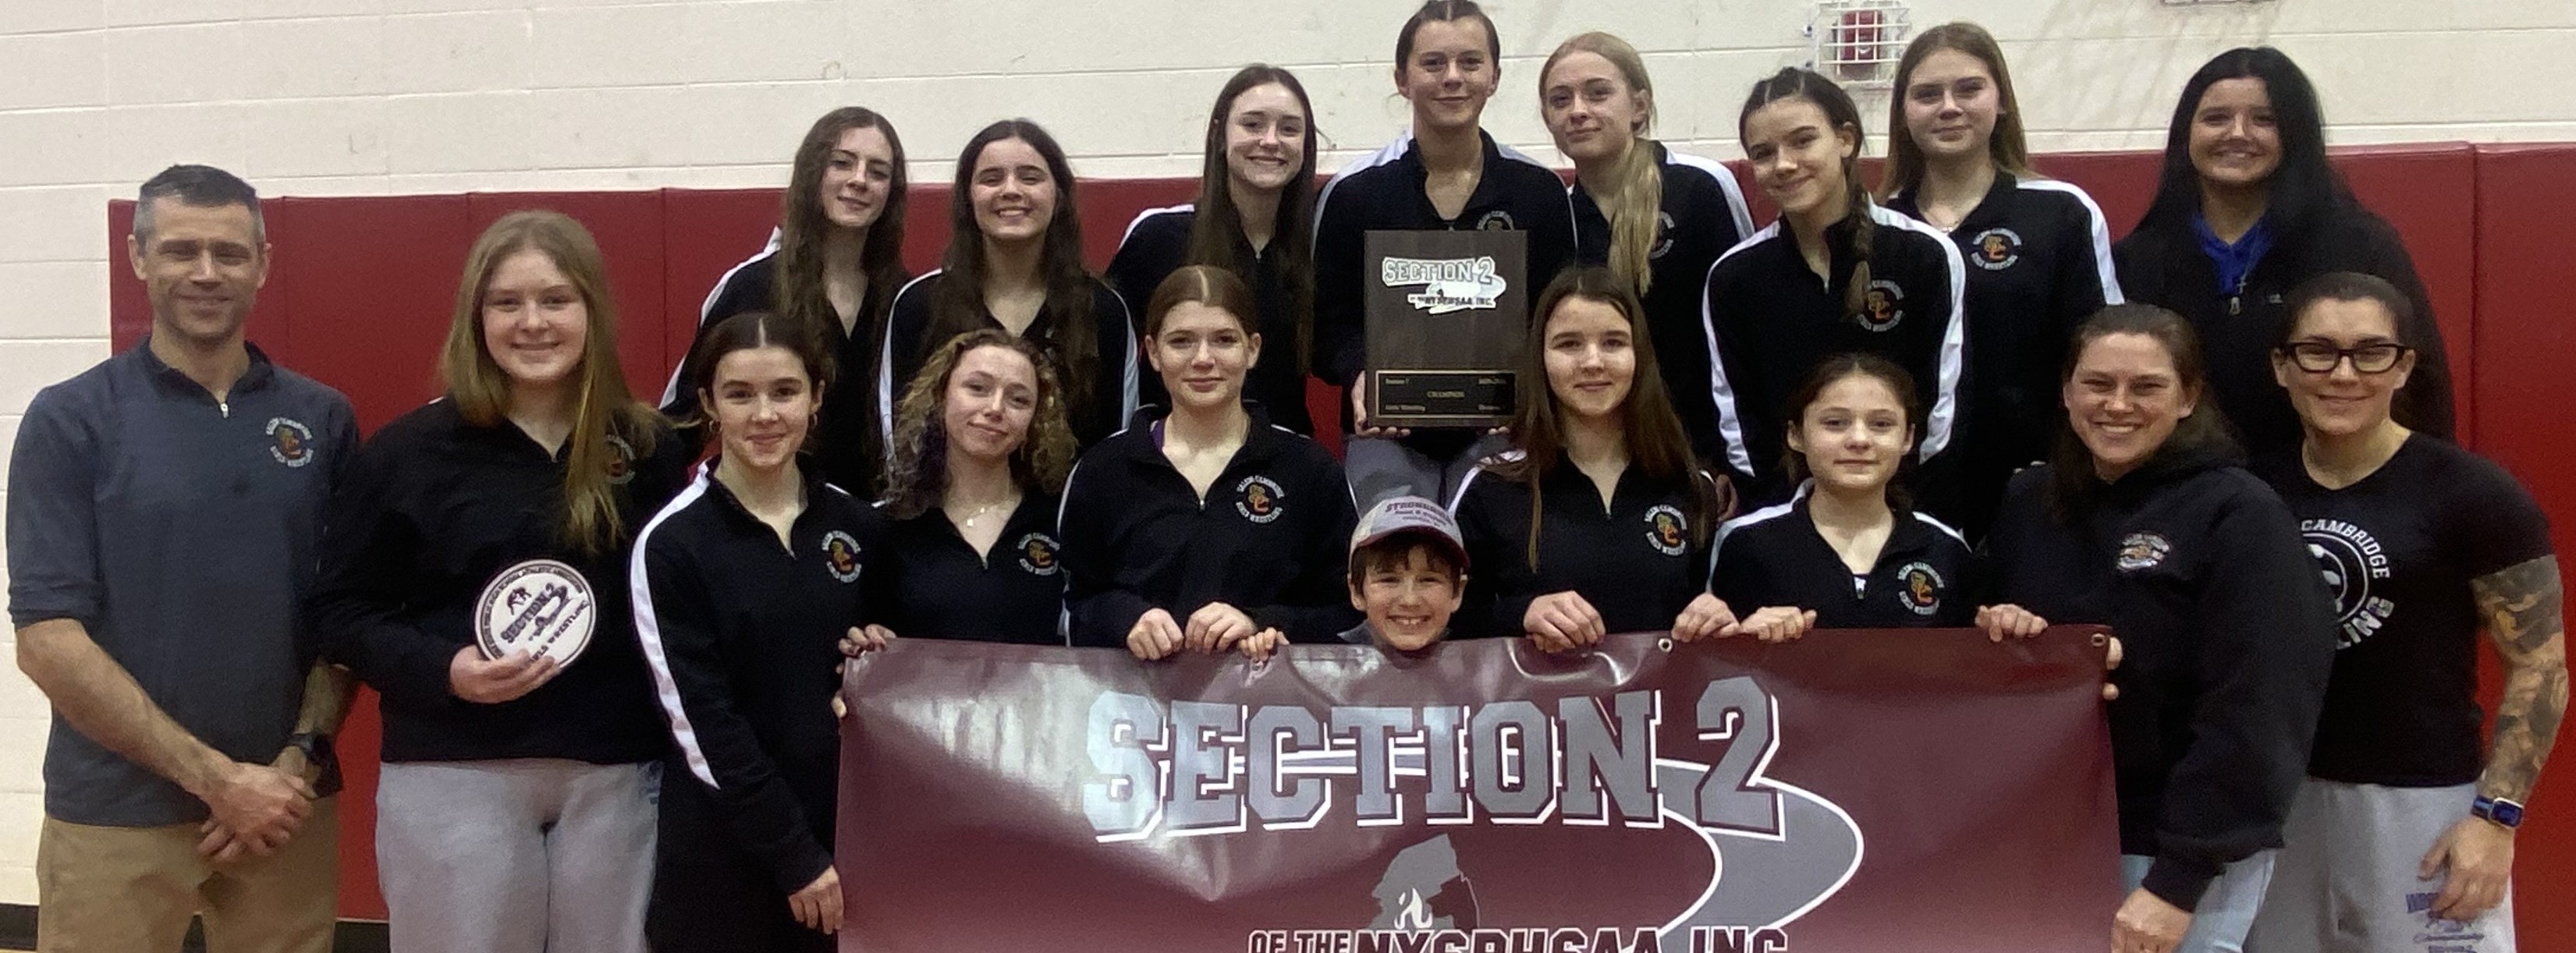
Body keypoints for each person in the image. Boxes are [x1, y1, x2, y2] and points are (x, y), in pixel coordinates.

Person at [309, 210, 690, 953]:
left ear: (591, 311)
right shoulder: (408, 453)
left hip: (616, 774)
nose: (533, 322)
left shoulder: (647, 449)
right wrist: (443, 669)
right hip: (454, 769)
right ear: (475, 317)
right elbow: (337, 611)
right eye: (507, 303)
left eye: (556, 299)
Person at [9, 165, 356, 953]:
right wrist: (217, 780)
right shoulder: (71, 419)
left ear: (263, 264)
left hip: (285, 812)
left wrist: (294, 767)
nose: (206, 272)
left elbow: (345, 620)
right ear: (138, 257)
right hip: (113, 812)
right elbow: (47, 638)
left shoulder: (322, 418)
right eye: (180, 250)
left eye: (229, 253)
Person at [1979, 303, 2333, 953]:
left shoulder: (2240, 514)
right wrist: (1999, 630)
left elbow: (2262, 710)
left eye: (2146, 387)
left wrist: (2179, 880)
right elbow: (1982, 654)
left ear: (2188, 397)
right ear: (2066, 390)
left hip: (2174, 855)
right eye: (2098, 384)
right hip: (2048, 841)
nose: (2118, 405)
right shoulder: (2029, 502)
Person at [2244, 273, 2564, 953]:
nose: (2343, 374)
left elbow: (2541, 664)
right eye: (2318, 351)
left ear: (2404, 366)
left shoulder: (2475, 494)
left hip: (2422, 807)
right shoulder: (2248, 492)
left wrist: (2496, 819)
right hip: (2278, 803)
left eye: (2370, 352)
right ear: (2282, 366)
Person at [633, 311, 881, 951]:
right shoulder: (672, 544)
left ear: (817, 397)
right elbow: (703, 725)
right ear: (710, 403)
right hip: (728, 855)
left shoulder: (857, 524)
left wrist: (880, 659)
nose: (764, 415)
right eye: (740, 395)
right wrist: (792, 854)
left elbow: (885, 669)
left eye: (785, 392)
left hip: (844, 846)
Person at [2114, 47, 2454, 459]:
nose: (2237, 133)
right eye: (2216, 118)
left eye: (2264, 119)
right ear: (2187, 132)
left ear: (2295, 134)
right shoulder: (2138, 260)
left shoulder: (2359, 246)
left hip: (2324, 491)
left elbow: (2420, 386)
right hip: (2185, 498)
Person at [1314, 0, 1580, 505]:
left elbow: (1561, 317)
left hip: (1505, 430)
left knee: (1496, 558)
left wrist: (1528, 388)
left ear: (1495, 77)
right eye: (1433, 63)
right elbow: (1325, 329)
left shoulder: (1537, 193)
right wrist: (1359, 372)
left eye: (1470, 62)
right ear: (1402, 78)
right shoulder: (1355, 194)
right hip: (1386, 434)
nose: (1452, 78)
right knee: (1394, 561)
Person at [1879, 22, 2122, 537]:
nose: (1948, 106)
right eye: (1927, 94)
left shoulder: (2061, 214)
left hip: (2039, 486)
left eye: (1969, 88)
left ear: (2002, 101)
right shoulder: (1877, 228)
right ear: (1903, 112)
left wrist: (2073, 462)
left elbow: (2103, 352)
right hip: (1902, 492)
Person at [1705, 67, 1968, 519]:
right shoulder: (1735, 277)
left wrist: (1892, 518)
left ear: (1845, 140)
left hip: (1904, 515)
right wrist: (1789, 521)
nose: (1783, 164)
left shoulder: (1925, 256)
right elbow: (1739, 422)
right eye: (1763, 153)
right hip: (1784, 517)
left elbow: (1940, 409)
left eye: (1803, 141)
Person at [1060, 266, 1360, 655]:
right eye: (1181, 342)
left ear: (1252, 349)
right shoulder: (1103, 470)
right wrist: (1127, 618)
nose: (1203, 359)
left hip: (1269, 708)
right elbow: (1074, 599)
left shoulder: (1309, 470)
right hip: (1135, 709)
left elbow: (1349, 607)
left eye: (1224, 340)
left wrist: (1263, 621)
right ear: (1153, 352)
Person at [1450, 267, 1733, 649]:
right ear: (1541, 358)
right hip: (1537, 707)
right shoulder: (1491, 486)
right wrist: (1521, 614)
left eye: (1614, 343)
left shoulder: (1688, 484)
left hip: (1660, 706)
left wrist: (1720, 617)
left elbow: (1719, 616)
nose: (1593, 362)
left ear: (1640, 355)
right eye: (1569, 344)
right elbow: (1448, 620)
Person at [662, 107, 910, 495]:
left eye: (878, 171)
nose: (859, 180)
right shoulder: (751, 286)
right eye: (841, 164)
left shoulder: (906, 298)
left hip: (877, 527)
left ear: (891, 193)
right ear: (813, 175)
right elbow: (681, 424)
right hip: (771, 520)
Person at [1538, 30, 1754, 459]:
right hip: (1596, 445)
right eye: (1560, 100)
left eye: (1597, 94)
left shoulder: (1700, 187)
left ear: (1638, 106)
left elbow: (1743, 327)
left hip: (1696, 441)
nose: (1578, 111)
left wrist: (1727, 456)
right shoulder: (1555, 212)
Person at [879, 119, 1137, 452]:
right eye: (991, 178)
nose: (1011, 190)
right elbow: (899, 440)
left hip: (1070, 505)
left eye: (1030, 177)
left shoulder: (1103, 310)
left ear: (1058, 196)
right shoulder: (918, 306)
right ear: (968, 198)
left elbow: (1115, 444)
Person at [1107, 65, 1323, 435]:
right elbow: (1107, 353)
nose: (1271, 141)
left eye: (1289, 128)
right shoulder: (1160, 236)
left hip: (1284, 467)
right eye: (1252, 125)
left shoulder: (1319, 241)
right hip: (1170, 464)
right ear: (1219, 136)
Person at [1707, 355, 1976, 636]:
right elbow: (1718, 664)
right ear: (1795, 434)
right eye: (1835, 423)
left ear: (1908, 438)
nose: (1859, 439)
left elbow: (1971, 667)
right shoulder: (1745, 543)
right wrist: (1742, 640)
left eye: (1881, 424)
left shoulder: (1946, 548)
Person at [867, 329, 1079, 643]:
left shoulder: (1063, 521)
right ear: (941, 396)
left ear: (1035, 421)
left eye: (1018, 399)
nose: (995, 409)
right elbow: (861, 635)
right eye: (977, 388)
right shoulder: (889, 525)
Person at [1339, 496, 1471, 651]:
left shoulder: (1485, 664)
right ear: (1356, 592)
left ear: (1457, 592)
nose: (1410, 600)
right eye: (1389, 580)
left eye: (1429, 580)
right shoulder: (1325, 666)